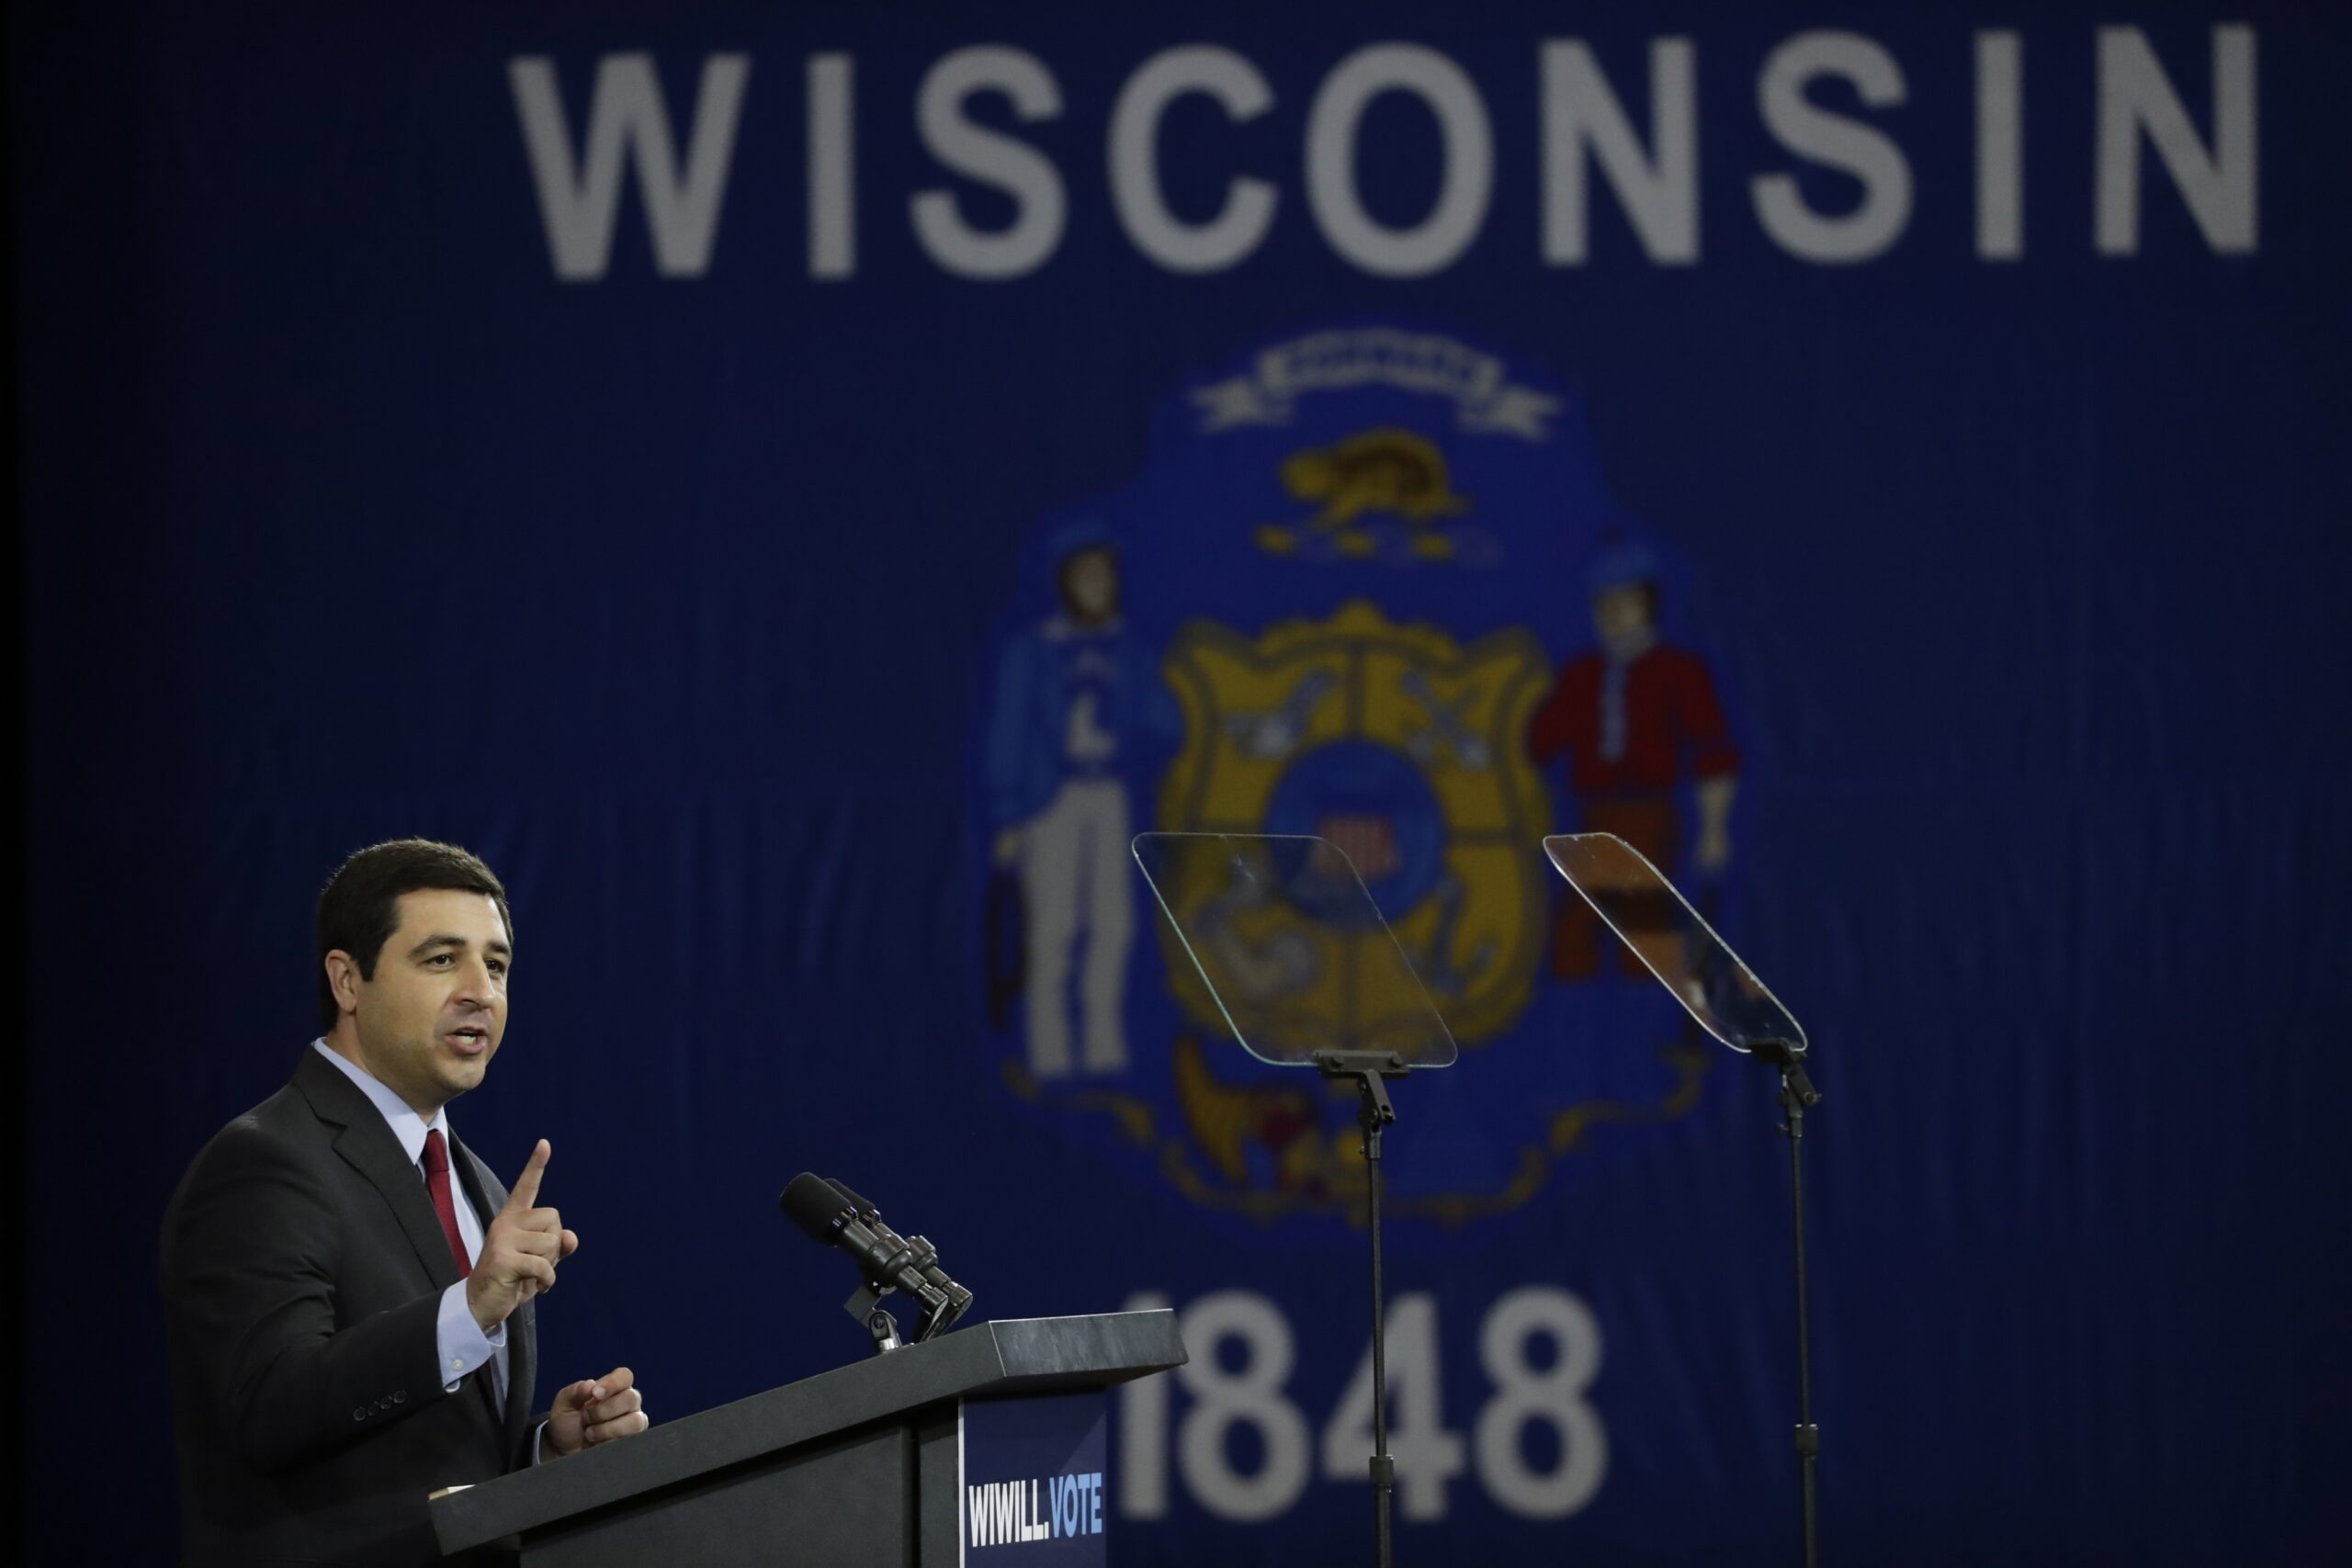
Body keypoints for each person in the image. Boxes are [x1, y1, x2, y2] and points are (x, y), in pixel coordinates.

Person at [159, 839, 650, 1566]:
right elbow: (268, 1409)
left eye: (497, 964)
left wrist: (547, 1450)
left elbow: (434, 1457)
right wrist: (471, 1306)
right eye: (442, 958)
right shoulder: (264, 1161)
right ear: (347, 980)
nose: (481, 990)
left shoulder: (477, 1182)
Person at [982, 519, 1174, 1081]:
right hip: (1051, 797)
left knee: (1114, 922)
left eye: (1106, 576)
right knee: (1056, 925)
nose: (1098, 586)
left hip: (1109, 792)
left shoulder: (1129, 651)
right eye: (1086, 576)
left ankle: (1103, 1046)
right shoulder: (1033, 652)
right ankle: (1050, 1051)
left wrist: (1129, 694)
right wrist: (1008, 812)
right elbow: (1008, 735)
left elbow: (1167, 723)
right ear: (1065, 583)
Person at [1527, 539, 1741, 980]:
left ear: (1648, 605)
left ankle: (1642, 1029)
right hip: (1588, 819)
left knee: (1645, 933)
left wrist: (1714, 831)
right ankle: (1576, 1027)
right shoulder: (1582, 675)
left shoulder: (1679, 672)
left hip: (1649, 814)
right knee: (1573, 933)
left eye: (1624, 601)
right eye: (1604, 603)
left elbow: (1713, 753)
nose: (1612, 613)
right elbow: (1540, 743)